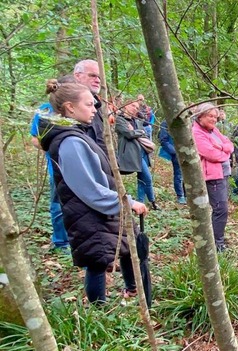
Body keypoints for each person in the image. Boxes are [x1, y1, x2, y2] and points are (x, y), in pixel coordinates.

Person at [39, 80, 148, 304]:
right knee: (97, 258)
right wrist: (126, 202)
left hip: (100, 208)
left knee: (125, 244)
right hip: (88, 211)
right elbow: (88, 188)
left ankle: (130, 290)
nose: (94, 109)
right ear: (70, 107)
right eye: (89, 104)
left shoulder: (75, 133)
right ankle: (99, 310)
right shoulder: (69, 141)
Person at [30, 74, 77, 253]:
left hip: (77, 166)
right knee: (58, 202)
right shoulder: (45, 111)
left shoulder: (77, 108)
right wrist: (54, 149)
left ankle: (74, 238)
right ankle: (60, 242)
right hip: (56, 166)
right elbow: (35, 138)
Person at [192, 103, 234, 252]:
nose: (214, 119)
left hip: (222, 174)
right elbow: (210, 153)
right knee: (220, 209)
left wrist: (223, 148)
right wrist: (224, 154)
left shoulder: (213, 130)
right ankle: (217, 243)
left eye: (216, 116)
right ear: (200, 116)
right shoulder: (197, 132)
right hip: (213, 176)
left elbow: (230, 145)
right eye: (210, 116)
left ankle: (217, 240)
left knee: (221, 208)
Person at [115, 99, 159, 210]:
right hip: (131, 154)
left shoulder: (137, 120)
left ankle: (141, 201)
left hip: (142, 152)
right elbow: (128, 134)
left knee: (142, 178)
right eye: (132, 105)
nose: (134, 108)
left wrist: (138, 132)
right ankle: (152, 201)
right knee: (147, 178)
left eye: (136, 107)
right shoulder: (120, 120)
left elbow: (142, 134)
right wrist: (139, 132)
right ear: (125, 106)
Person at [73, 59, 108, 154]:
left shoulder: (97, 106)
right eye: (92, 75)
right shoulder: (62, 103)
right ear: (77, 76)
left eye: (99, 77)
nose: (97, 80)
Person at [158, 120, 186, 204]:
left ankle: (187, 195)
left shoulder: (185, 120)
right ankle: (180, 195)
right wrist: (175, 152)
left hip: (187, 152)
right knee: (179, 174)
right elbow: (163, 140)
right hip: (176, 153)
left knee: (187, 174)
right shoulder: (166, 123)